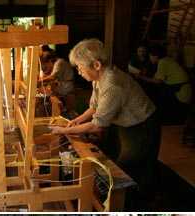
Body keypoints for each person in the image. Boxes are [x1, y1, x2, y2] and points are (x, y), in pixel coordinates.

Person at [50, 39, 161, 196]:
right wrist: (78, 120)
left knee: (130, 166)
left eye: (80, 68)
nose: (79, 72)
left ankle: (136, 198)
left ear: (96, 65)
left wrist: (62, 130)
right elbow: (94, 107)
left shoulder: (111, 84)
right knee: (119, 158)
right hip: (126, 122)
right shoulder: (98, 78)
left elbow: (97, 125)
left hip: (142, 124)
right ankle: (129, 194)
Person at [139, 45, 192, 124]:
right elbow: (156, 77)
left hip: (181, 94)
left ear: (155, 56)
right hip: (181, 91)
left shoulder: (163, 62)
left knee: (160, 105)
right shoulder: (166, 60)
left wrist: (141, 77)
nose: (150, 58)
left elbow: (157, 81)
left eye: (150, 56)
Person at [39, 51, 76, 116]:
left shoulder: (59, 63)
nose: (47, 65)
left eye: (46, 63)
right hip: (64, 84)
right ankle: (61, 107)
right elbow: (51, 75)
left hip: (66, 86)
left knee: (49, 93)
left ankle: (60, 107)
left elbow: (53, 77)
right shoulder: (58, 63)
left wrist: (40, 81)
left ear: (50, 60)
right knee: (48, 89)